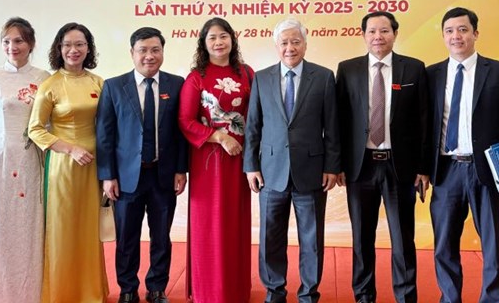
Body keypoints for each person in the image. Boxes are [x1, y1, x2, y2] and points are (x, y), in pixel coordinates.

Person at [427, 7, 499, 303]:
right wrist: (423, 170)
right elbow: (424, 127)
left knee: (493, 243)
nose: (456, 36)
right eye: (449, 31)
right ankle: (449, 298)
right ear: (444, 36)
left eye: (462, 30)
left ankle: (491, 298)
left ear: (475, 34)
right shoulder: (431, 74)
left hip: (488, 170)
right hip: (446, 171)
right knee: (444, 243)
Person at [243, 18, 341, 303]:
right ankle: (275, 291)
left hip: (311, 172)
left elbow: (332, 126)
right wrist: (251, 166)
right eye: (284, 42)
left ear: (305, 44)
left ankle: (309, 293)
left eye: (295, 41)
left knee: (311, 239)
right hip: (271, 173)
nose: (290, 48)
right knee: (271, 237)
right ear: (276, 46)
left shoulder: (323, 77)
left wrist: (332, 167)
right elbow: (253, 127)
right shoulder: (261, 78)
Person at [335, 11, 430, 303]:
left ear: (395, 34)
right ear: (364, 35)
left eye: (384, 31)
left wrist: (424, 168)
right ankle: (364, 296)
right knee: (362, 239)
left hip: (399, 167)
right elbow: (339, 120)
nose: (378, 37)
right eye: (372, 31)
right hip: (360, 167)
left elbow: (424, 120)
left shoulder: (414, 69)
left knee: (403, 239)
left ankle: (406, 296)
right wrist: (336, 165)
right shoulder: (348, 69)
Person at [96, 27, 188, 303]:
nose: (149, 56)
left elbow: (181, 132)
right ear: (132, 53)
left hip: (163, 175)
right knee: (126, 238)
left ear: (162, 52)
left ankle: (157, 287)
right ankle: (127, 288)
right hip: (125, 178)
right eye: (143, 50)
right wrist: (108, 175)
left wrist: (181, 169)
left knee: (161, 236)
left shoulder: (177, 84)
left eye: (155, 50)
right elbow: (105, 134)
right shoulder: (114, 86)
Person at [27, 22, 108, 303]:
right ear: (59, 49)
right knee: (62, 229)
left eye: (80, 45)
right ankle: (62, 293)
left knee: (89, 229)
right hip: (62, 166)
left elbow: (107, 126)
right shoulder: (50, 85)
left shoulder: (98, 82)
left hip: (94, 166)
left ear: (89, 48)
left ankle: (91, 292)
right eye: (67, 45)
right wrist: (70, 149)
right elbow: (35, 129)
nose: (74, 50)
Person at [0, 17, 49, 303]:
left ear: (31, 44)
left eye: (18, 41)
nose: (12, 47)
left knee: (30, 226)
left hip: (32, 161)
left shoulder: (44, 78)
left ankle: (31, 293)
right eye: (6, 41)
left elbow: (50, 124)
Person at [178, 17, 253, 303]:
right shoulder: (197, 76)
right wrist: (220, 137)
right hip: (209, 163)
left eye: (223, 36)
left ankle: (235, 289)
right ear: (204, 43)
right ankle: (209, 291)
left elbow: (255, 115)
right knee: (209, 224)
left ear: (233, 39)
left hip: (240, 161)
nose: (219, 42)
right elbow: (185, 121)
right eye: (212, 38)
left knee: (236, 223)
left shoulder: (246, 73)